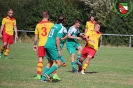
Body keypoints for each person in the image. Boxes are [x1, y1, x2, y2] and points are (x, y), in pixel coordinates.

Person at [41, 14, 66, 82]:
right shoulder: (61, 27)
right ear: (64, 20)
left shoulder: (54, 26)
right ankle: (47, 74)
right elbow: (57, 39)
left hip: (47, 44)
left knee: (50, 62)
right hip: (52, 46)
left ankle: (43, 79)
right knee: (59, 63)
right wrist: (59, 50)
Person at [33, 10, 54, 79]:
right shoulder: (51, 24)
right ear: (48, 16)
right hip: (49, 44)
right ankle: (53, 74)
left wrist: (35, 44)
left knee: (40, 59)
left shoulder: (38, 25)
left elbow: (36, 37)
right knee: (51, 60)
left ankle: (38, 75)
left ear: (42, 16)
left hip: (41, 44)